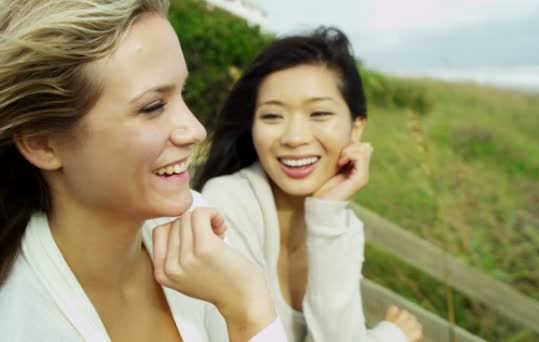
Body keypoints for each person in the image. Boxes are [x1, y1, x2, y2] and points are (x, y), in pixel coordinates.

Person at [0, 0, 286, 341]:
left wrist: (245, 302)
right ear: (42, 143)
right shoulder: (20, 320)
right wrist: (250, 312)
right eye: (153, 106)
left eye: (184, 93)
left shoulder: (200, 235)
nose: (195, 129)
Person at [194, 27, 423, 342]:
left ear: (356, 128)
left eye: (319, 113)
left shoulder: (343, 228)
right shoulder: (227, 203)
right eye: (273, 116)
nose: (295, 138)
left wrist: (327, 213)